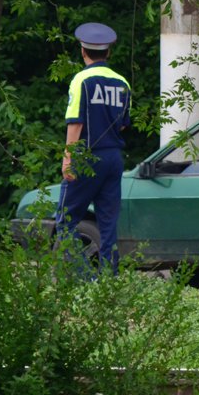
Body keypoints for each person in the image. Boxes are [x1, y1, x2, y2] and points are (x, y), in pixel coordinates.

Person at [53, 22, 131, 275]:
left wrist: (68, 160)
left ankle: (86, 279)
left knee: (66, 220)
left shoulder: (81, 80)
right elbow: (122, 126)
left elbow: (75, 123)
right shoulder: (122, 83)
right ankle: (109, 279)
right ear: (108, 52)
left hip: (87, 157)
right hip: (114, 158)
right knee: (108, 223)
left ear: (83, 51)